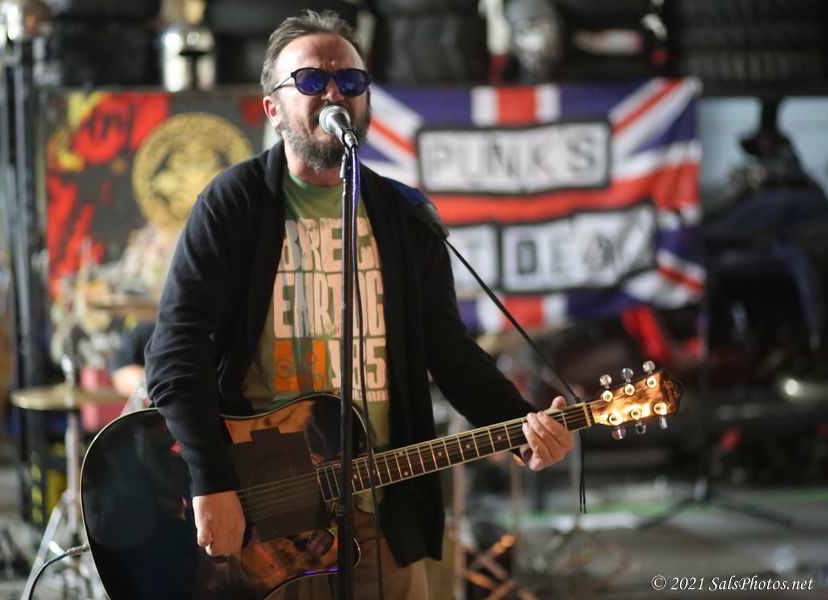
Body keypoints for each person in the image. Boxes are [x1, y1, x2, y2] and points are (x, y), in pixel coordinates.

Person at [144, 9, 575, 598]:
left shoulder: (405, 214)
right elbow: (174, 356)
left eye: (350, 81)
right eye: (310, 81)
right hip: (261, 519)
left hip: (380, 512)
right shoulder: (233, 205)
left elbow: (449, 352)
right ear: (273, 108)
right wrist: (209, 480)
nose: (333, 94)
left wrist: (521, 426)